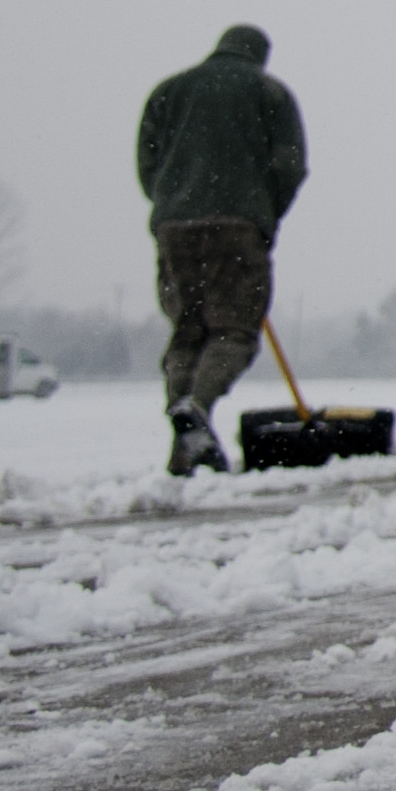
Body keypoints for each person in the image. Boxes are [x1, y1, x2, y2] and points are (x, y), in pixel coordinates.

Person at [136, 24, 308, 476]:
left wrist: (173, 202)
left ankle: (186, 440)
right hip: (238, 223)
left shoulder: (169, 91)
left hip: (173, 226)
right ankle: (198, 404)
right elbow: (290, 165)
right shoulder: (269, 92)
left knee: (188, 331)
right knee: (233, 331)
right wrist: (264, 215)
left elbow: (148, 160)